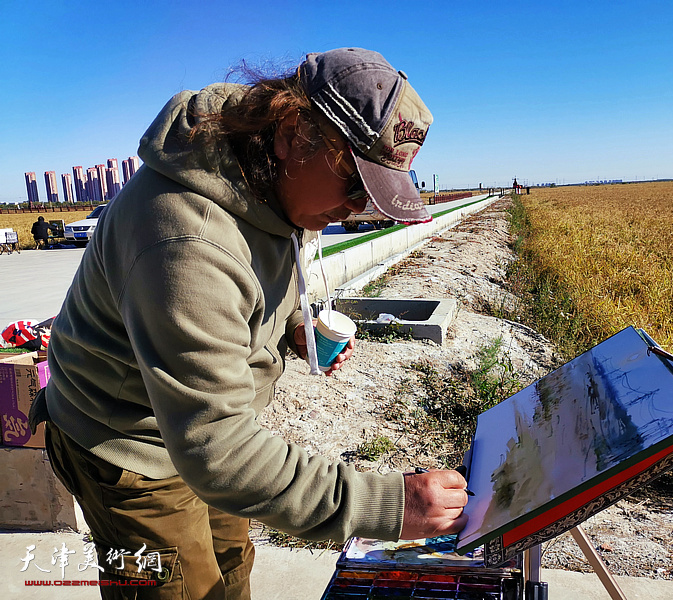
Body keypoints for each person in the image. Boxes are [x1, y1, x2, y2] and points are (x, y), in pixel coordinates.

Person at [30, 48, 469, 599]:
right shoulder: (187, 238)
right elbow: (217, 450)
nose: (357, 207)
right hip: (128, 444)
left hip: (197, 425)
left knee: (230, 573)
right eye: (354, 183)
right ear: (289, 131)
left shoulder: (269, 179)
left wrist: (291, 327)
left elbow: (257, 284)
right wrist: (388, 505)